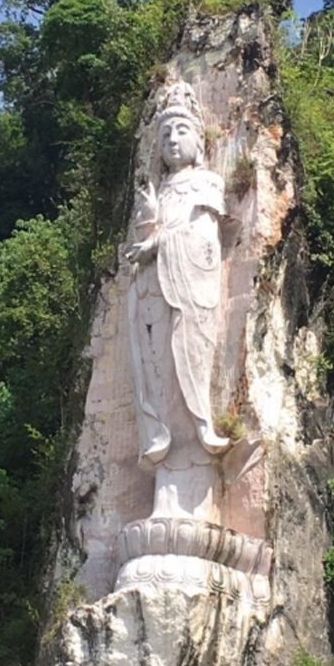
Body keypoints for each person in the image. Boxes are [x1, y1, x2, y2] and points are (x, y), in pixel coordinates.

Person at [127, 82, 230, 470]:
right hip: (153, 292)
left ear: (199, 140)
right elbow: (147, 242)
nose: (172, 140)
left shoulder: (207, 183)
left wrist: (156, 245)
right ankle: (159, 434)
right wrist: (148, 222)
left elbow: (204, 240)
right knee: (155, 371)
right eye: (165, 133)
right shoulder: (160, 188)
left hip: (189, 291)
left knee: (189, 358)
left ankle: (202, 428)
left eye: (181, 131)